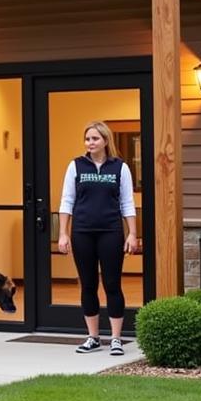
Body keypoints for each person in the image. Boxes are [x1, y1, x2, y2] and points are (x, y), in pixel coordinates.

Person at [56, 120, 139, 357]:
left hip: (111, 232)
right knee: (88, 284)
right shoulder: (76, 166)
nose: (90, 143)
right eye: (87, 139)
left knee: (112, 284)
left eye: (94, 138)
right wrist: (63, 233)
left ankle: (116, 339)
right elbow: (67, 201)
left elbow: (127, 202)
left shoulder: (120, 168)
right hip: (82, 232)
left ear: (105, 140)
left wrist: (132, 233)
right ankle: (93, 337)